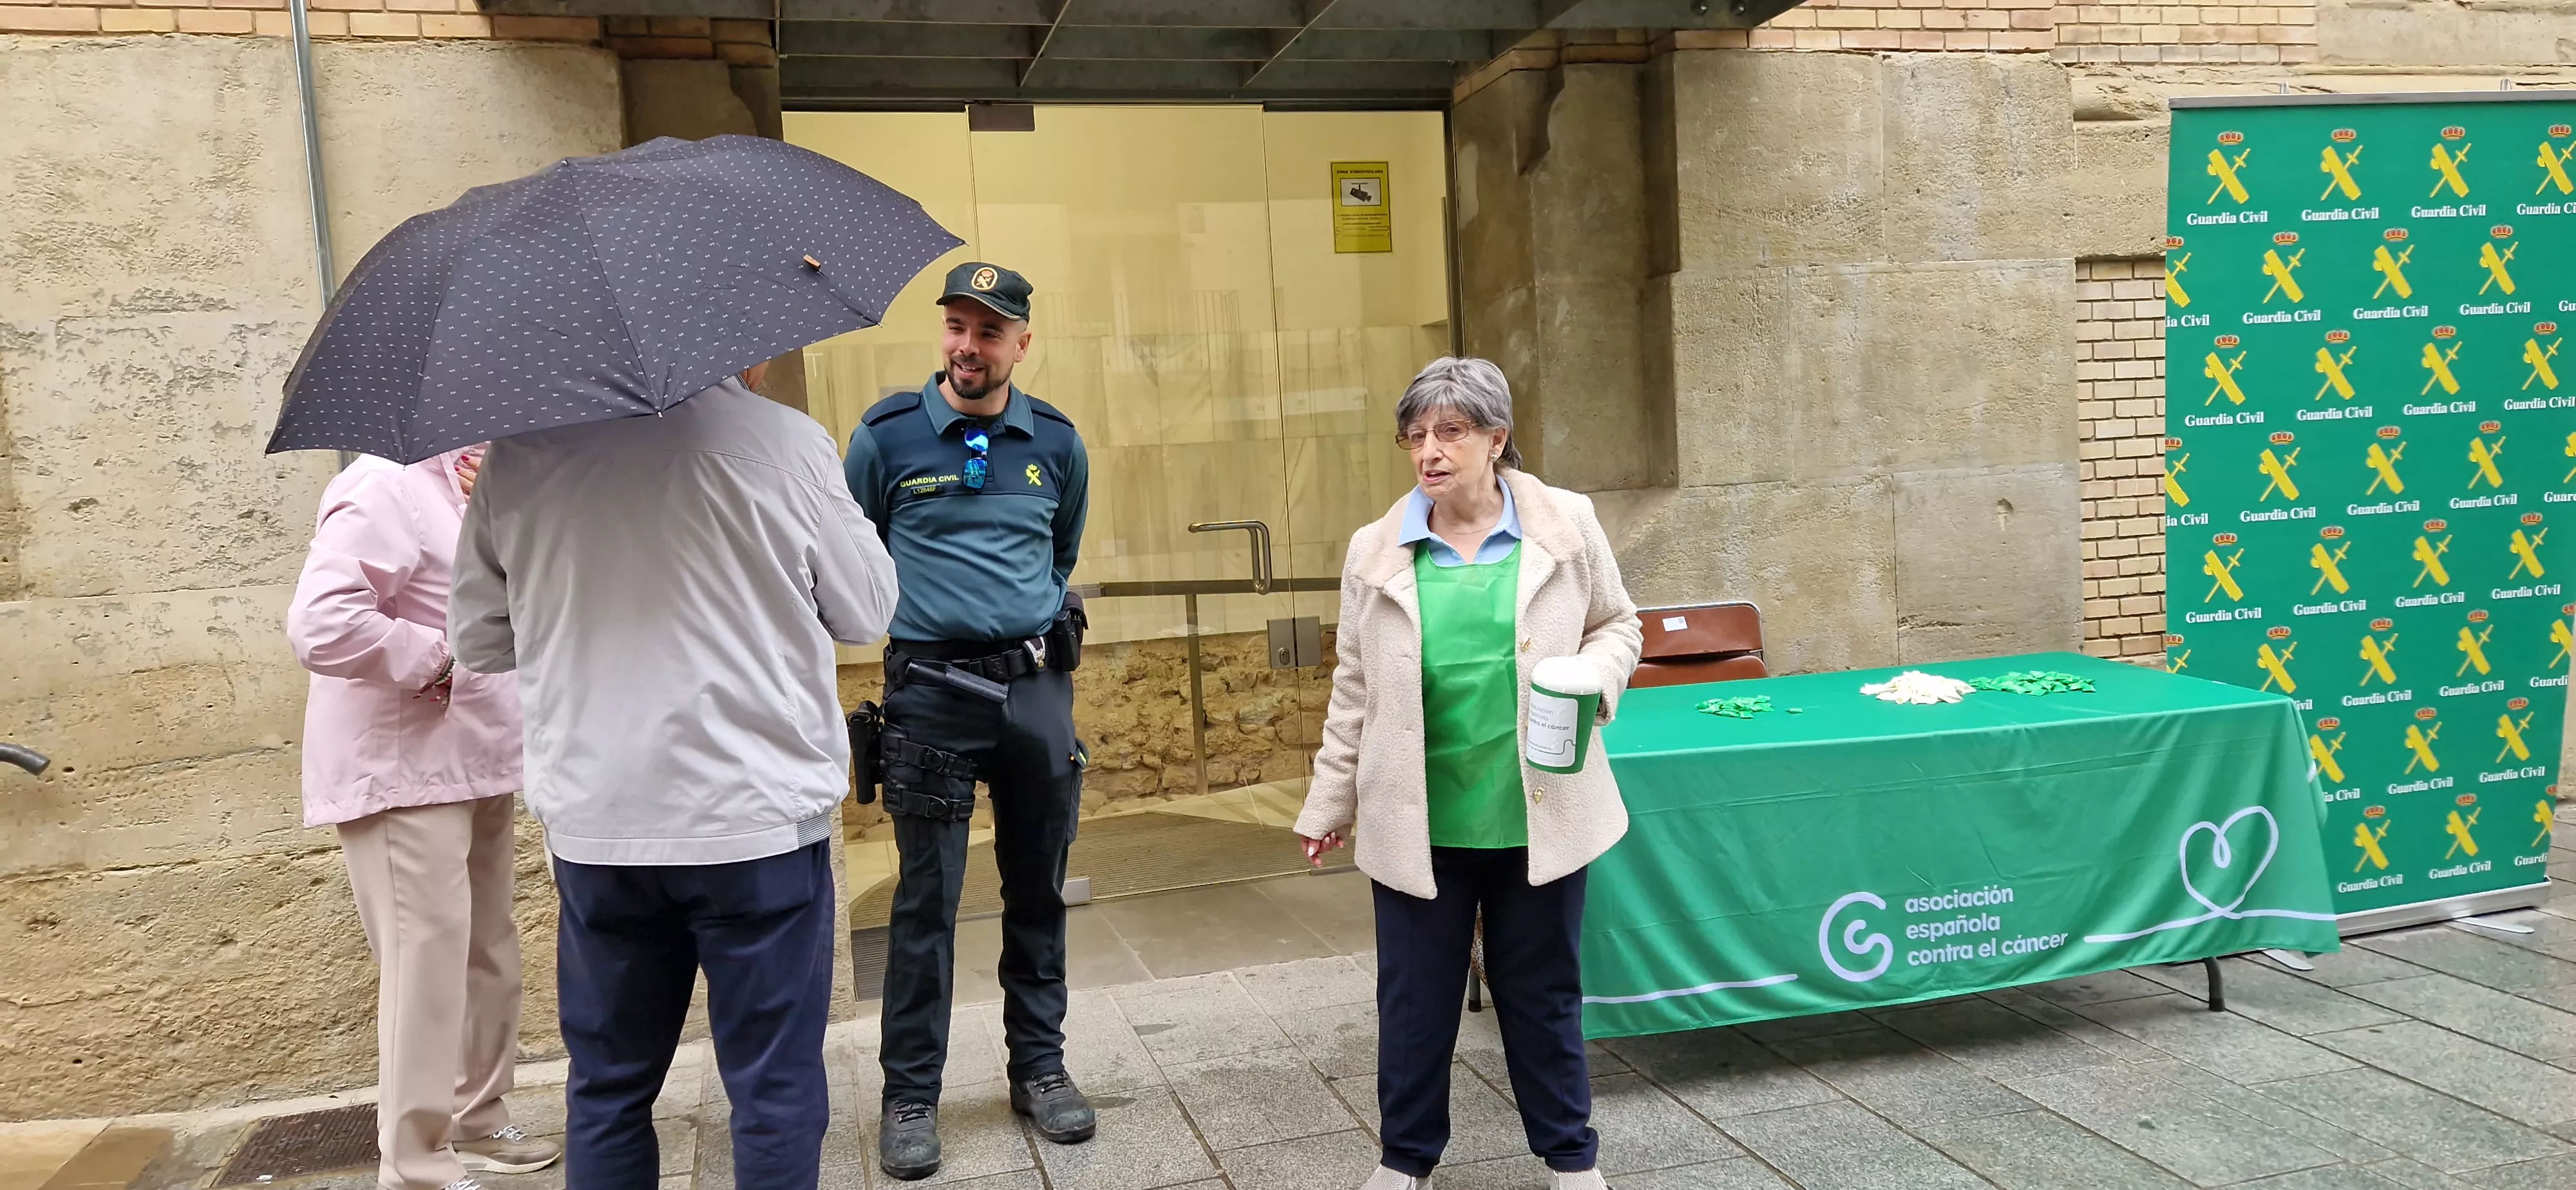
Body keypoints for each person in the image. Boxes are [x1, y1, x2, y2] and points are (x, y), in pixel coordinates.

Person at [448, 363, 899, 1190]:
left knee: (610, 1090)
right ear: (745, 344)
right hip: (755, 819)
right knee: (773, 1085)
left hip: (602, 820)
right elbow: (868, 611)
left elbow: (477, 641)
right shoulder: (785, 442)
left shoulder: (520, 456)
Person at [1296, 357, 1643, 1190]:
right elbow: (1354, 687)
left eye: (1451, 432)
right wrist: (1326, 801)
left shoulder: (1567, 525)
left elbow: (1619, 626)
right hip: (1418, 822)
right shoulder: (1374, 551)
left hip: (1539, 813)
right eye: (1416, 435)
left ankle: (1570, 1156)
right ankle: (1405, 1158)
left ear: (1498, 438)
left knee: (1543, 993)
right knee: (1415, 1006)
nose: (1430, 451)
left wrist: (1598, 676)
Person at [842, 261, 1095, 1180]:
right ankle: (910, 1095)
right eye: (956, 326)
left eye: (989, 332)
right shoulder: (885, 438)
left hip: (1032, 692)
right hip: (931, 696)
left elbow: (1059, 551)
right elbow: (851, 553)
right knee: (924, 906)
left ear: (1021, 344)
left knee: (1038, 894)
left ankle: (1040, 1068)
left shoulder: (1057, 444)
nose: (968, 346)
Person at [287, 444, 563, 1190]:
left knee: (489, 955)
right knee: (426, 969)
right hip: (403, 772)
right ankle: (414, 1165)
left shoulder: (485, 482)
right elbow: (321, 622)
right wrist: (435, 661)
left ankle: (476, 1116)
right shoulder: (383, 485)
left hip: (481, 755)